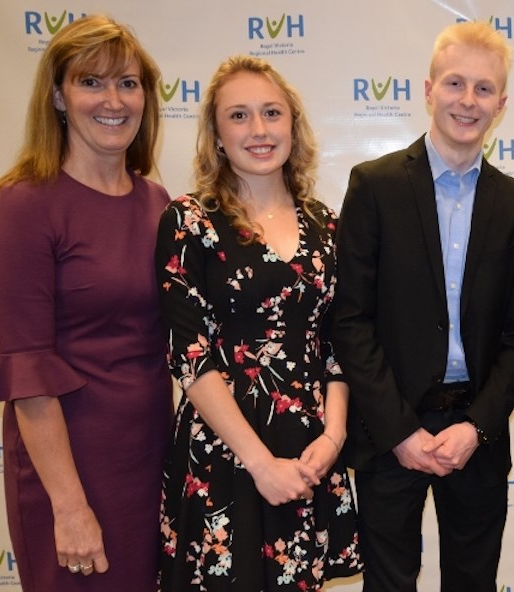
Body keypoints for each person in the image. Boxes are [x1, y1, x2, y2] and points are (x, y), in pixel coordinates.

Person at [330, 21, 514, 592]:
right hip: (390, 428)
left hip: (475, 431)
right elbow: (350, 319)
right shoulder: (374, 187)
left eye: (482, 88)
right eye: (455, 83)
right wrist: (399, 429)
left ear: (502, 103)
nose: (467, 101)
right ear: (428, 91)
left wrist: (477, 426)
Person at [0, 15, 172, 591]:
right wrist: (69, 506)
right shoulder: (24, 206)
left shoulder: (158, 202)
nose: (113, 101)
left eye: (129, 83)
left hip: (154, 455)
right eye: (92, 82)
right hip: (71, 469)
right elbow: (28, 371)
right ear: (59, 96)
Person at [155, 55, 363, 591]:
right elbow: (190, 355)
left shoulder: (327, 224)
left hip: (310, 454)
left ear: (293, 124)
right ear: (217, 135)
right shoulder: (188, 221)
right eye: (239, 116)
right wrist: (260, 463)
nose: (259, 130)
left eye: (272, 113)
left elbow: (340, 342)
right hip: (226, 453)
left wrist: (334, 437)